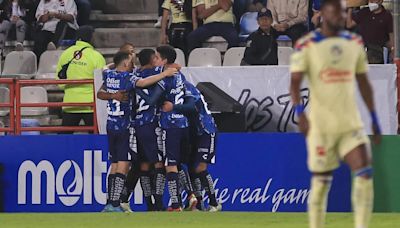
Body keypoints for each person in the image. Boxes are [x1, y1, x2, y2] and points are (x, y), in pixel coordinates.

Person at [289, 1, 381, 228]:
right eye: (336, 11)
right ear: (322, 14)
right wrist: (300, 113)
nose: (341, 15)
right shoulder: (307, 45)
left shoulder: (354, 43)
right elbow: (295, 82)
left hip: (350, 124)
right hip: (321, 126)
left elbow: (364, 83)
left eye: (343, 11)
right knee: (321, 182)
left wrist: (374, 118)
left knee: (364, 172)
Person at [162, 81, 221, 212]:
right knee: (191, 168)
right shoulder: (176, 87)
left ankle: (214, 203)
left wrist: (173, 107)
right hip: (193, 132)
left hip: (206, 130)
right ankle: (198, 204)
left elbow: (192, 108)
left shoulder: (186, 87)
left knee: (200, 168)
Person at [56, 26, 104, 134]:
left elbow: (59, 81)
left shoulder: (66, 54)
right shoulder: (96, 56)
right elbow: (101, 82)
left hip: (70, 103)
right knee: (95, 139)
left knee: (64, 140)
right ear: (90, 38)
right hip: (90, 105)